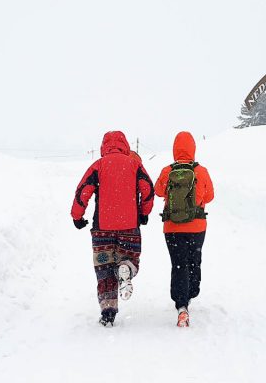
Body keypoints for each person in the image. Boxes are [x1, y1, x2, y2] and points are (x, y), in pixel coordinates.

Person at [71, 131, 154, 327]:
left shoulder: (98, 166)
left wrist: (77, 216)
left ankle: (108, 311)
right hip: (129, 227)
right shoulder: (134, 164)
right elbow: (148, 189)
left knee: (105, 269)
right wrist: (144, 212)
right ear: (124, 144)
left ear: (104, 146)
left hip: (102, 228)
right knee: (129, 257)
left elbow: (82, 190)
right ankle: (127, 267)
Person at [154, 131, 214, 327]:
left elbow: (158, 191)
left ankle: (181, 305)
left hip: (172, 227)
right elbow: (211, 196)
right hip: (197, 226)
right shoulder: (201, 171)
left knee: (178, 263)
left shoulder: (167, 171)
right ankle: (191, 292)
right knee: (194, 259)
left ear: (174, 149)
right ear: (193, 149)